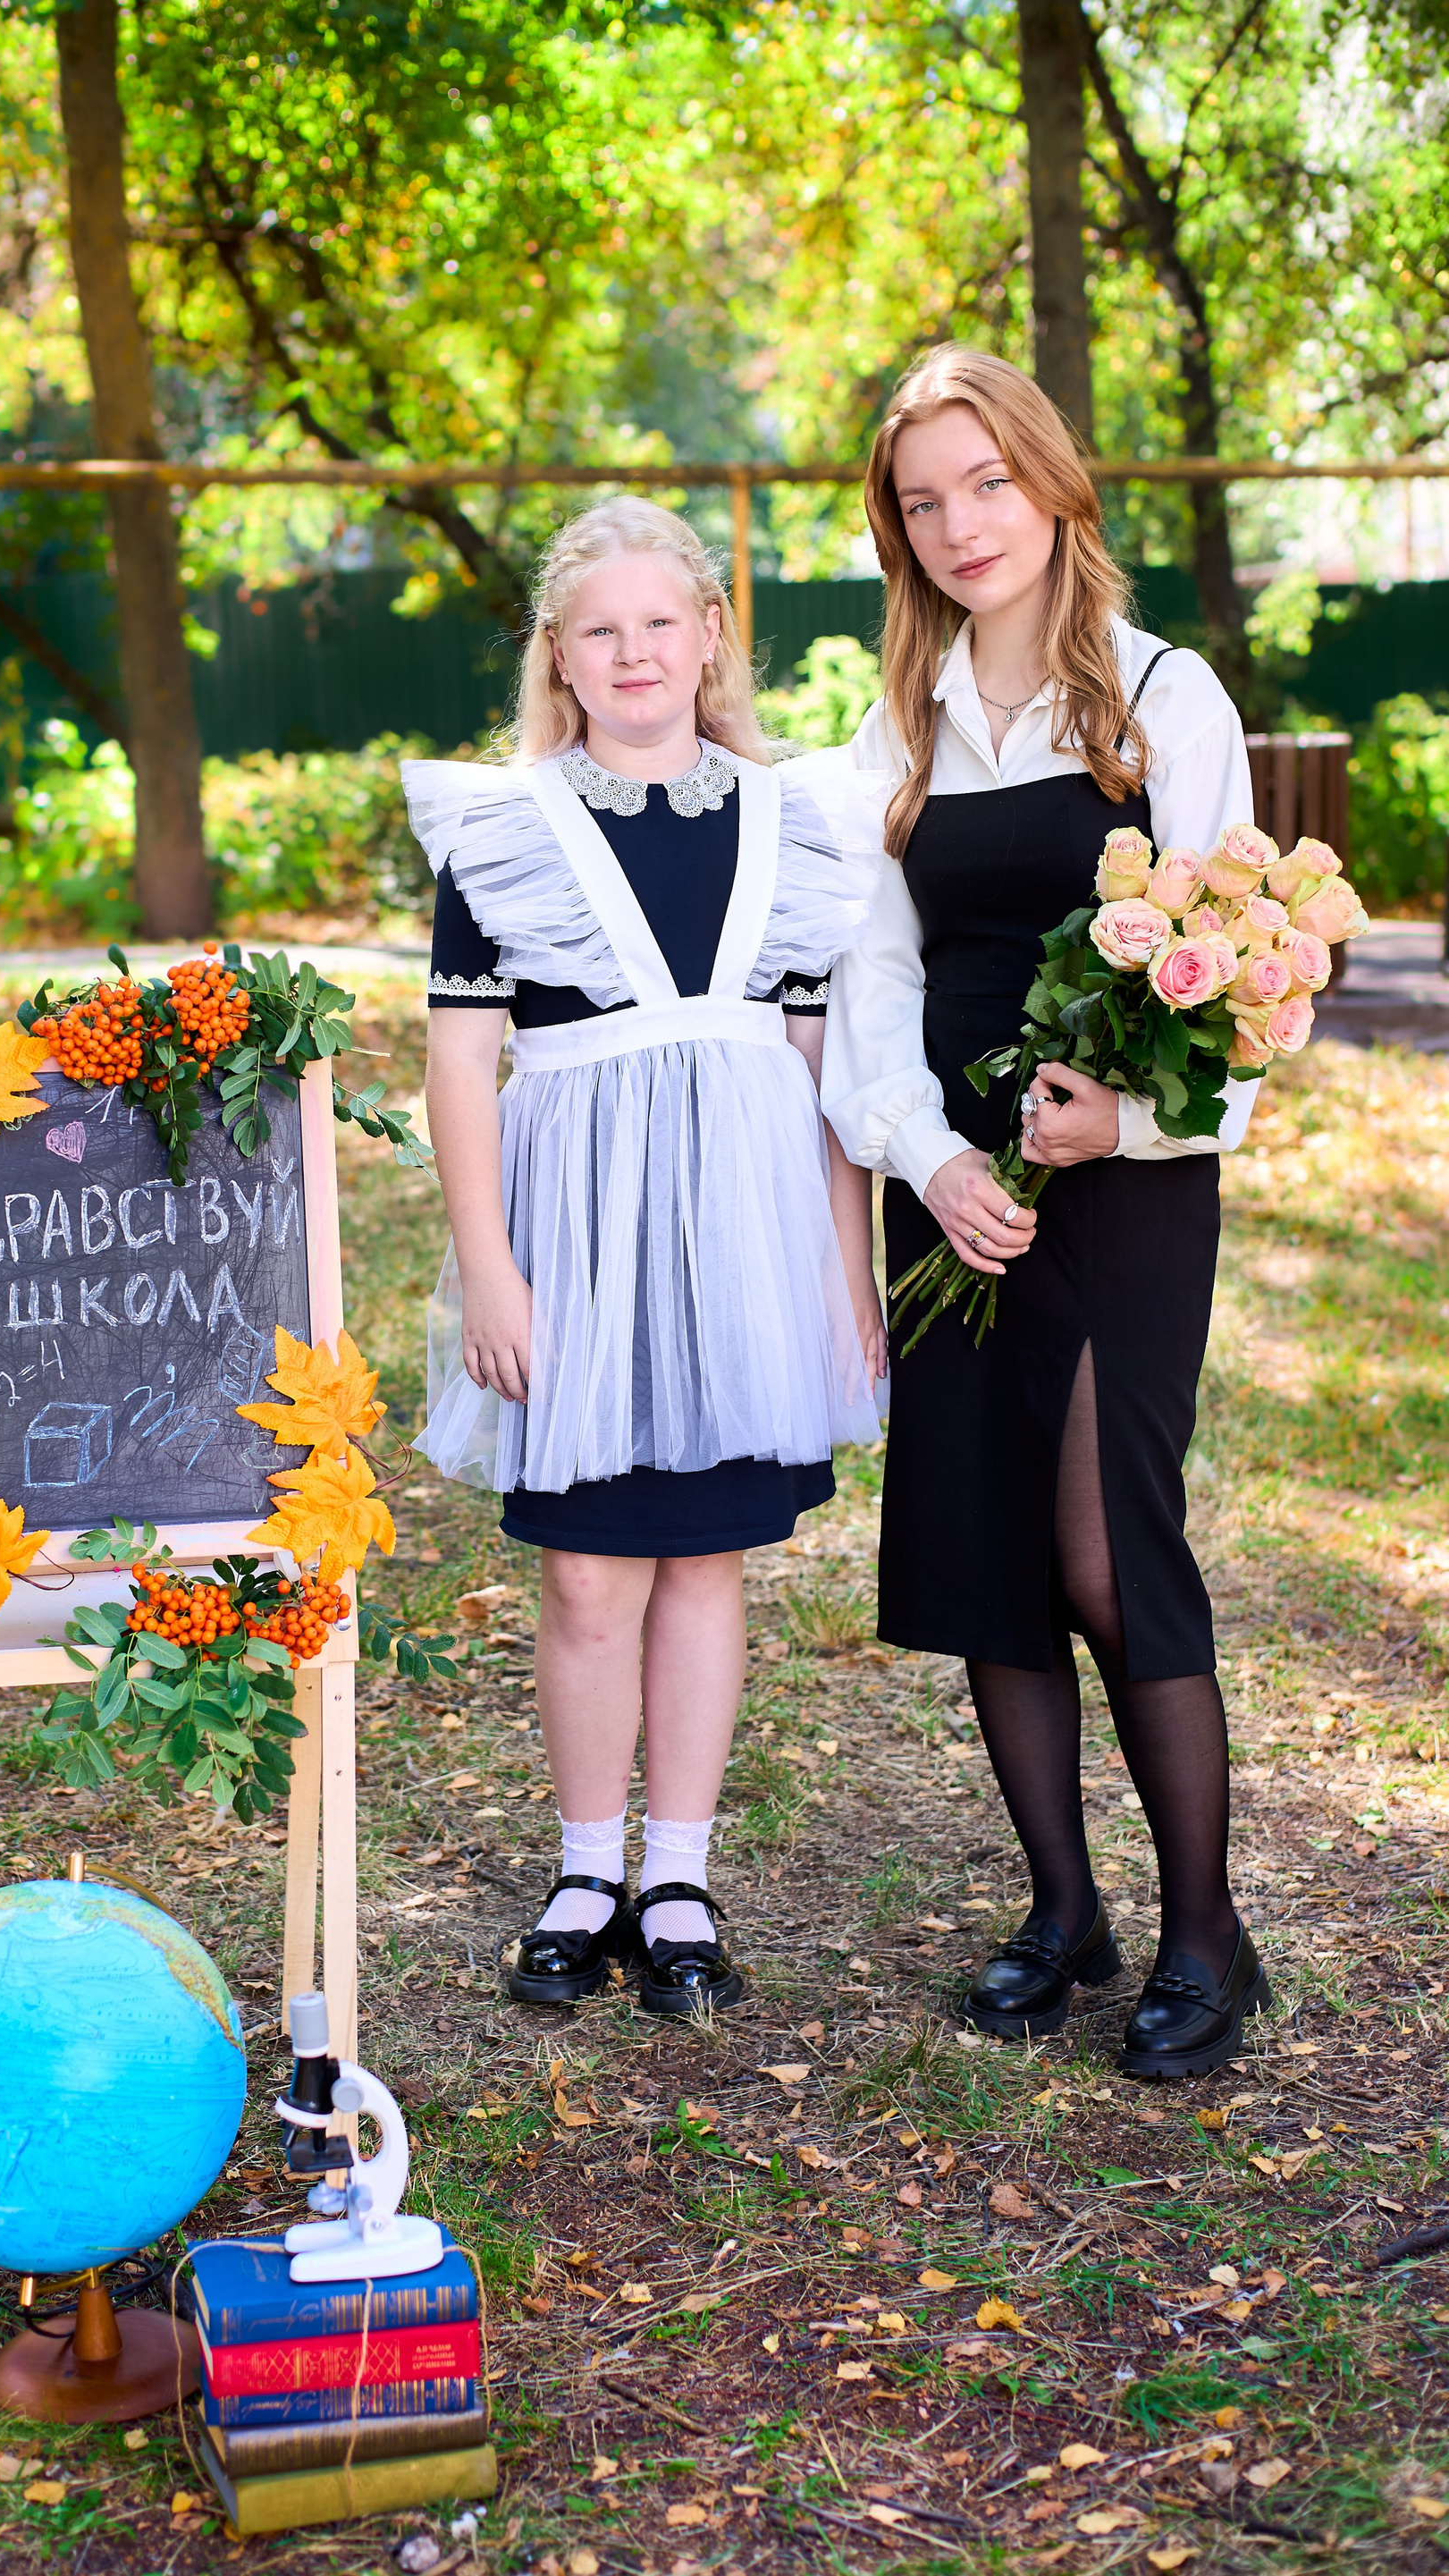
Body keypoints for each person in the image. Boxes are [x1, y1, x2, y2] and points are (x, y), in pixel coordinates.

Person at [821, 346, 1269, 2082]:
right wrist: (928, 1157)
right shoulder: (898, 727)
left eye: (987, 482)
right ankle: (1063, 1912)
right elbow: (873, 981)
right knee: (986, 1544)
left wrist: (1123, 1120)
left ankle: (1206, 1935)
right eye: (923, 501)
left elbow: (1248, 991)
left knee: (1101, 1545)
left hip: (1126, 1189)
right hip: (953, 1183)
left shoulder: (1165, 696)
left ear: (1052, 478)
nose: (961, 525)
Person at [409, 496, 885, 2019]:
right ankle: (584, 1869)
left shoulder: (793, 825)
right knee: (587, 1572)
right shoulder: (505, 829)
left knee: (703, 1561)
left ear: (710, 635)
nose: (634, 652)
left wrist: (844, 1273)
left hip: (745, 1243)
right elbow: (460, 1066)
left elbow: (819, 1074)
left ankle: (677, 1875)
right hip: (579, 1249)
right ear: (559, 652)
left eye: (660, 622)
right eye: (600, 630)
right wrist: (490, 1266)